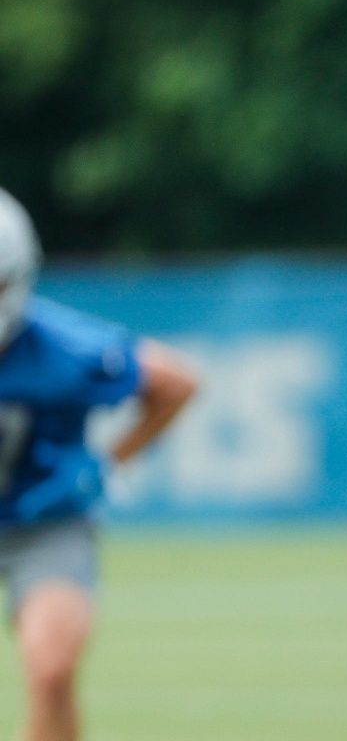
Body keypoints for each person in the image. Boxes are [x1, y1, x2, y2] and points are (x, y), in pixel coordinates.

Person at [0, 190, 197, 741]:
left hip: (46, 520)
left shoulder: (61, 347)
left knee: (52, 669)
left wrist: (112, 461)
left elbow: (176, 381)